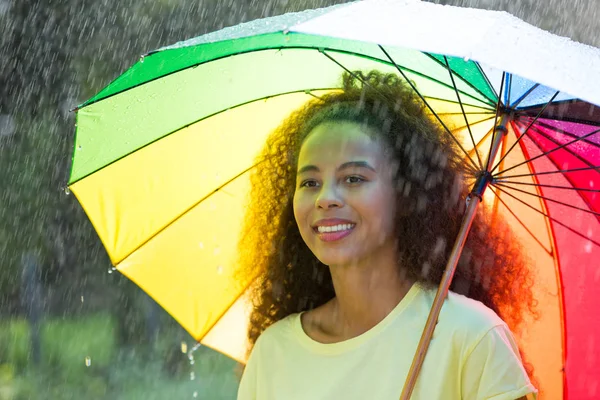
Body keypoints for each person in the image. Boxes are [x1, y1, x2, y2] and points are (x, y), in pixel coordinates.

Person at [235, 70, 538, 399]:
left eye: (353, 178)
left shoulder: (471, 338)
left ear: (406, 195)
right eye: (309, 182)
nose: (324, 198)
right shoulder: (273, 353)